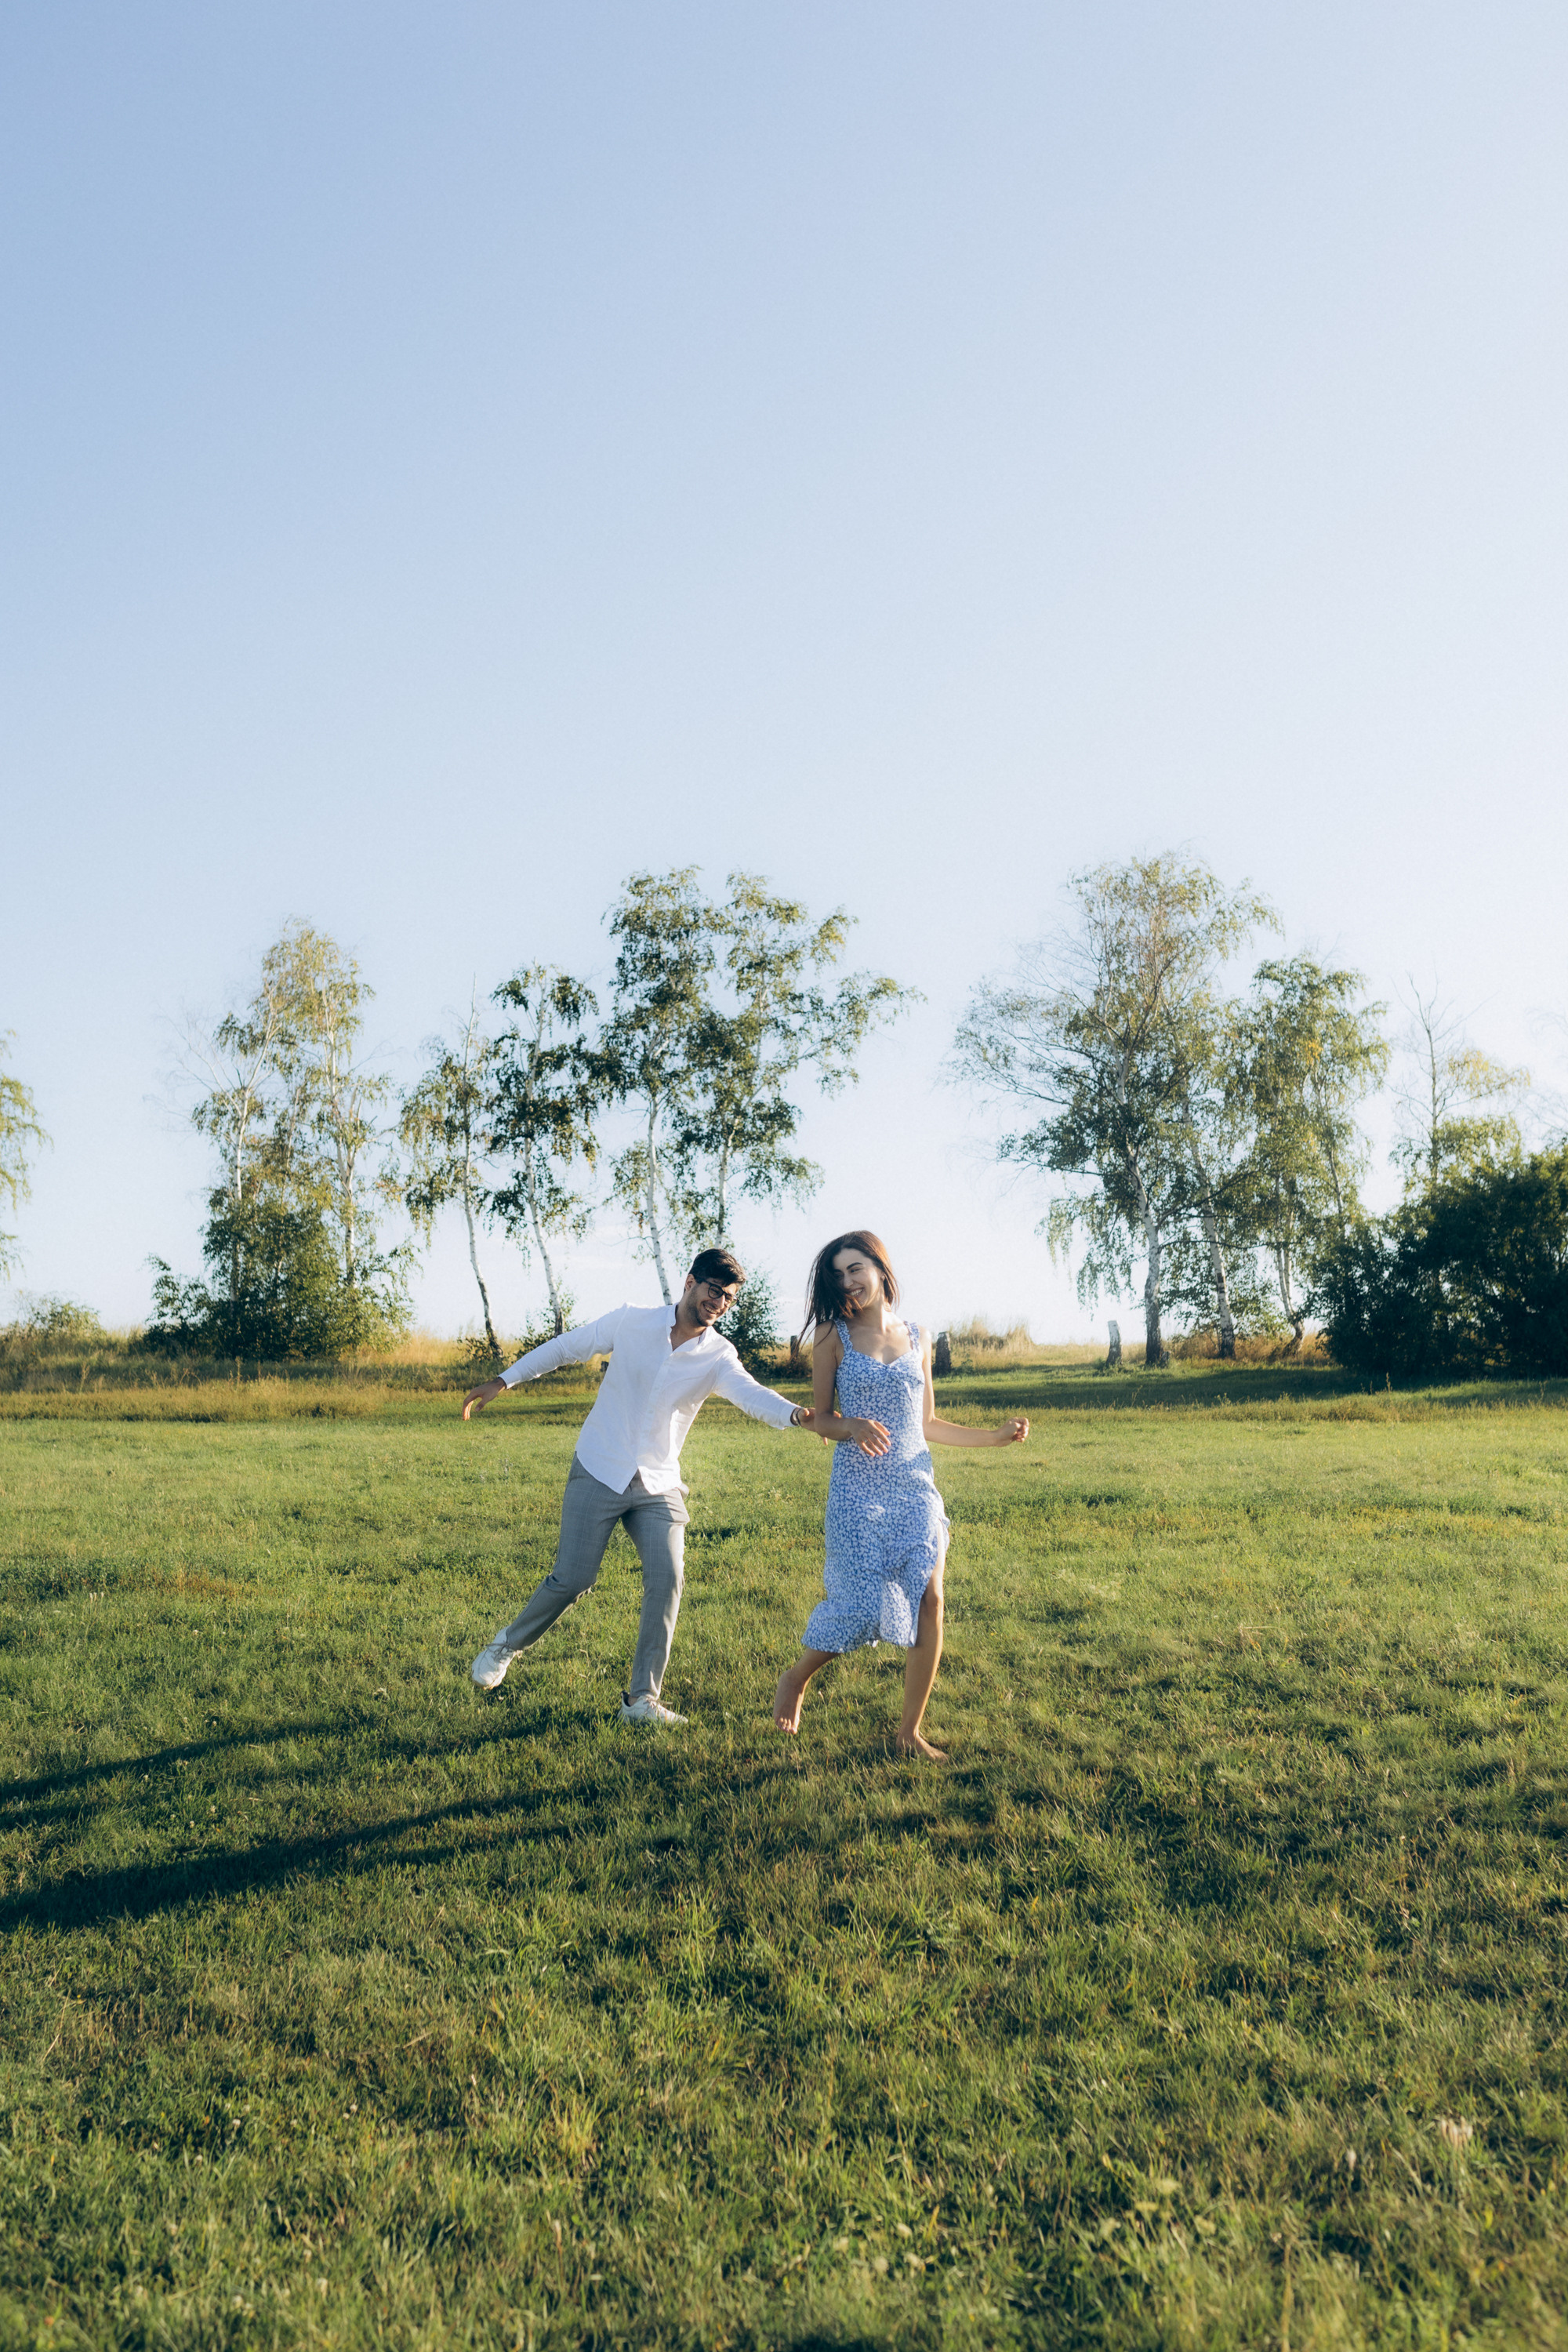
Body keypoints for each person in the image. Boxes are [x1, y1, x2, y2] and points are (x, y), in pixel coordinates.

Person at [464, 1247, 815, 1726]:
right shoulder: (631, 1321)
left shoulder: (718, 1355)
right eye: (715, 1290)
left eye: (729, 1298)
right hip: (600, 1466)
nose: (720, 1303)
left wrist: (794, 1414)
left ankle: (640, 1701)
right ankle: (507, 1645)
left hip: (658, 1483)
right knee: (574, 1578)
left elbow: (750, 1394)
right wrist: (503, 1381)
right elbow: (568, 1347)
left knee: (667, 1579)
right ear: (691, 1281)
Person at [771, 1230, 1029, 1759]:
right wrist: (854, 1426)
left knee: (930, 1600)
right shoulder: (831, 1335)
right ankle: (796, 1678)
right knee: (865, 1608)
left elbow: (927, 1422)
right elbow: (819, 1420)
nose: (848, 1282)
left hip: (915, 1486)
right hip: (858, 1487)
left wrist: (995, 1437)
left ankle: (909, 1732)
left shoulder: (919, 1335)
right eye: (838, 1274)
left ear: (880, 1268)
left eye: (855, 1269)